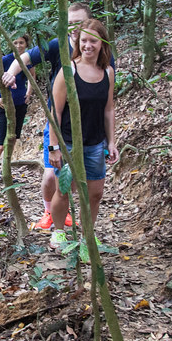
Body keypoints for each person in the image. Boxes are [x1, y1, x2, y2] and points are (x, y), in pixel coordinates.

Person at [1, 2, 94, 231]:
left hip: (86, 123)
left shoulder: (97, 48)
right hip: (58, 120)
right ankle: (48, 212)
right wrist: (11, 74)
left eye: (80, 23)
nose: (75, 28)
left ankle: (65, 212)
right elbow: (24, 58)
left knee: (74, 173)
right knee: (52, 174)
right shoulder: (56, 45)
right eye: (70, 23)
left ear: (90, 23)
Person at [46, 19, 119, 249]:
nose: (88, 45)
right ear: (78, 42)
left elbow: (108, 108)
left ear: (102, 43)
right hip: (67, 142)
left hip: (96, 143)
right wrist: (54, 147)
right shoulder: (68, 70)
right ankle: (59, 232)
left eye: (93, 41)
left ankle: (88, 234)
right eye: (84, 40)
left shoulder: (108, 71)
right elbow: (55, 111)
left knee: (95, 193)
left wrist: (112, 141)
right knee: (63, 190)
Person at [0, 34, 36, 187]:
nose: (18, 45)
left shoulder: (28, 59)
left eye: (21, 42)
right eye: (15, 42)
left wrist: (29, 93)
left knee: (12, 140)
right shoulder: (5, 60)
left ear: (26, 44)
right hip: (4, 107)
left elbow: (32, 76)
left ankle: (4, 172)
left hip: (20, 105)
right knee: (0, 145)